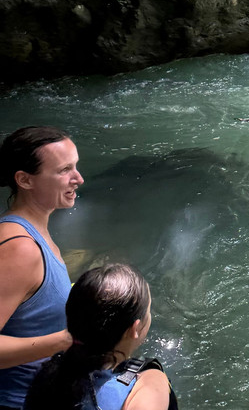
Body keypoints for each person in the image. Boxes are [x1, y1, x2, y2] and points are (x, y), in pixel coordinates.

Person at [0, 126, 83, 409]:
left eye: (76, 166)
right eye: (64, 170)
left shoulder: (37, 236)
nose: (79, 178)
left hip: (47, 393)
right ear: (25, 180)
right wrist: (67, 341)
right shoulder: (19, 248)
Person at [24, 263, 176, 410]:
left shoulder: (46, 375)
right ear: (134, 329)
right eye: (148, 311)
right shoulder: (148, 384)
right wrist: (155, 378)